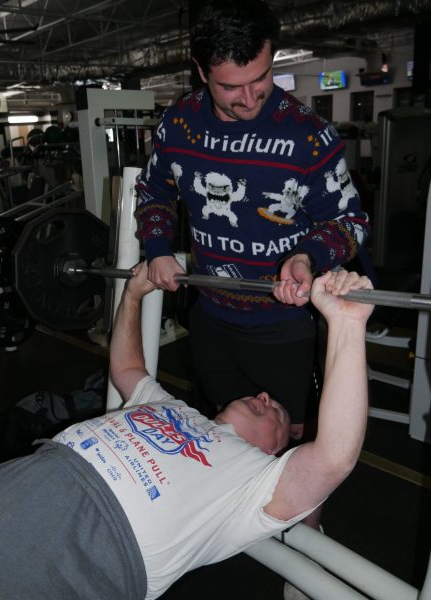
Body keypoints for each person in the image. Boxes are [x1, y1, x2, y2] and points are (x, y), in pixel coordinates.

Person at [0, 261, 373, 600]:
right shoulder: (172, 407)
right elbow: (125, 367)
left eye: (275, 410)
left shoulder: (255, 485)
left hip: (87, 541)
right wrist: (134, 293)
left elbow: (333, 457)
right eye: (264, 396)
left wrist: (346, 324)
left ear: (280, 449)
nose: (262, 396)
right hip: (22, 476)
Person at [135, 0, 370, 440]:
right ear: (201, 71)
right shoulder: (177, 125)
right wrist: (158, 249)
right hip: (210, 318)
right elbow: (154, 190)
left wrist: (307, 255)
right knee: (218, 440)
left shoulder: (308, 135)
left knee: (294, 450)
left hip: (283, 330)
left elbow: (351, 221)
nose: (249, 98)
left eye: (260, 78)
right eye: (230, 87)